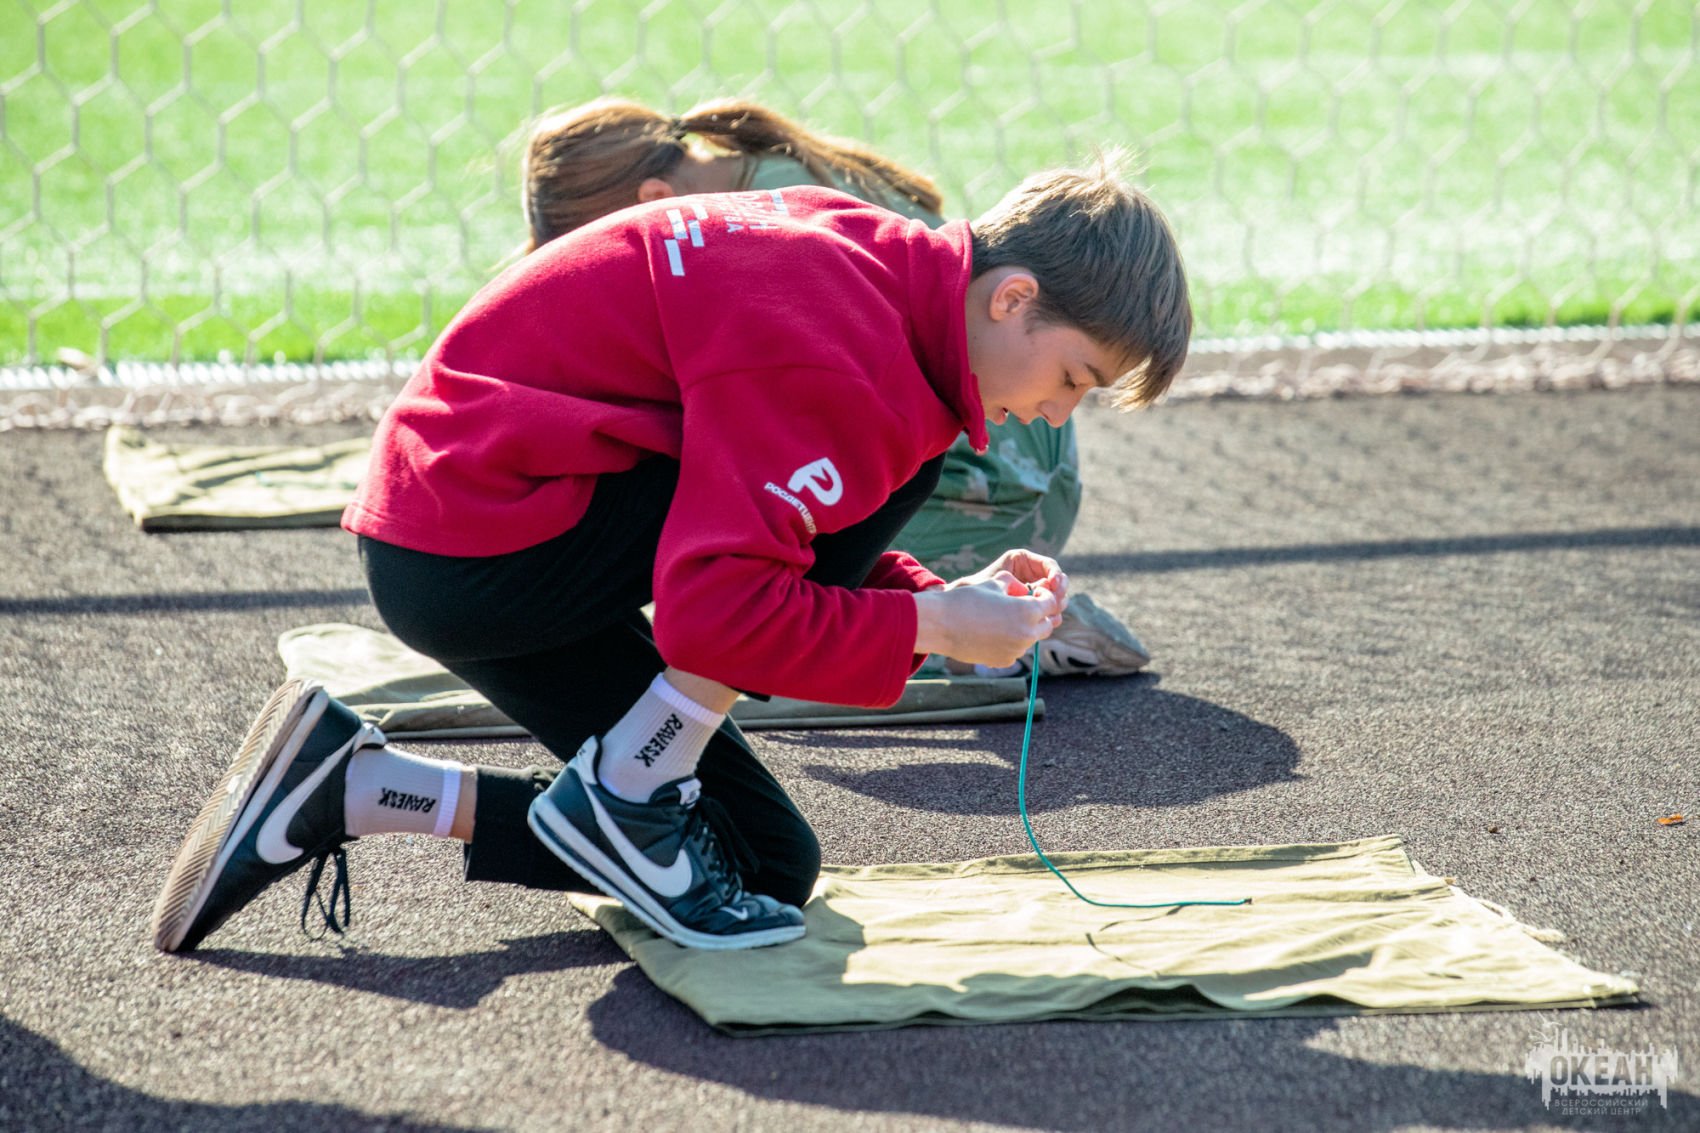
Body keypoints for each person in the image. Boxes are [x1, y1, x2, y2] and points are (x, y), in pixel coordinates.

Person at [150, 149, 1191, 955]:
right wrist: (933, 626)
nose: (1057, 411)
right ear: (1012, 298)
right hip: (477, 539)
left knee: (763, 862)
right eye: (1074, 377)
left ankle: (353, 785)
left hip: (474, 531)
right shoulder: (852, 352)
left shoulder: (878, 272)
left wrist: (935, 594)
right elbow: (722, 613)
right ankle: (627, 791)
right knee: (906, 455)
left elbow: (775, 510)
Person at [518, 96, 1149, 677]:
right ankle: (978, 619)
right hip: (1028, 480)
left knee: (738, 609)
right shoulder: (773, 175)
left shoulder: (738, 235)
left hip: (986, 494)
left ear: (651, 198)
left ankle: (988, 637)